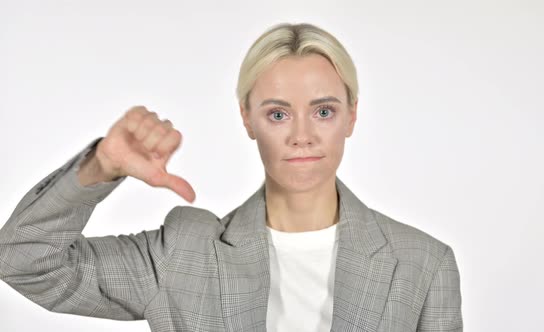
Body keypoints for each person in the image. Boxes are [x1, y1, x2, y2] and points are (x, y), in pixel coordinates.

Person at [0, 22, 462, 331]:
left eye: (323, 110)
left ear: (351, 117)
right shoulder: (183, 254)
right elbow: (23, 261)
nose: (302, 135)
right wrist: (99, 169)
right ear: (247, 120)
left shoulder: (423, 265)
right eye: (278, 114)